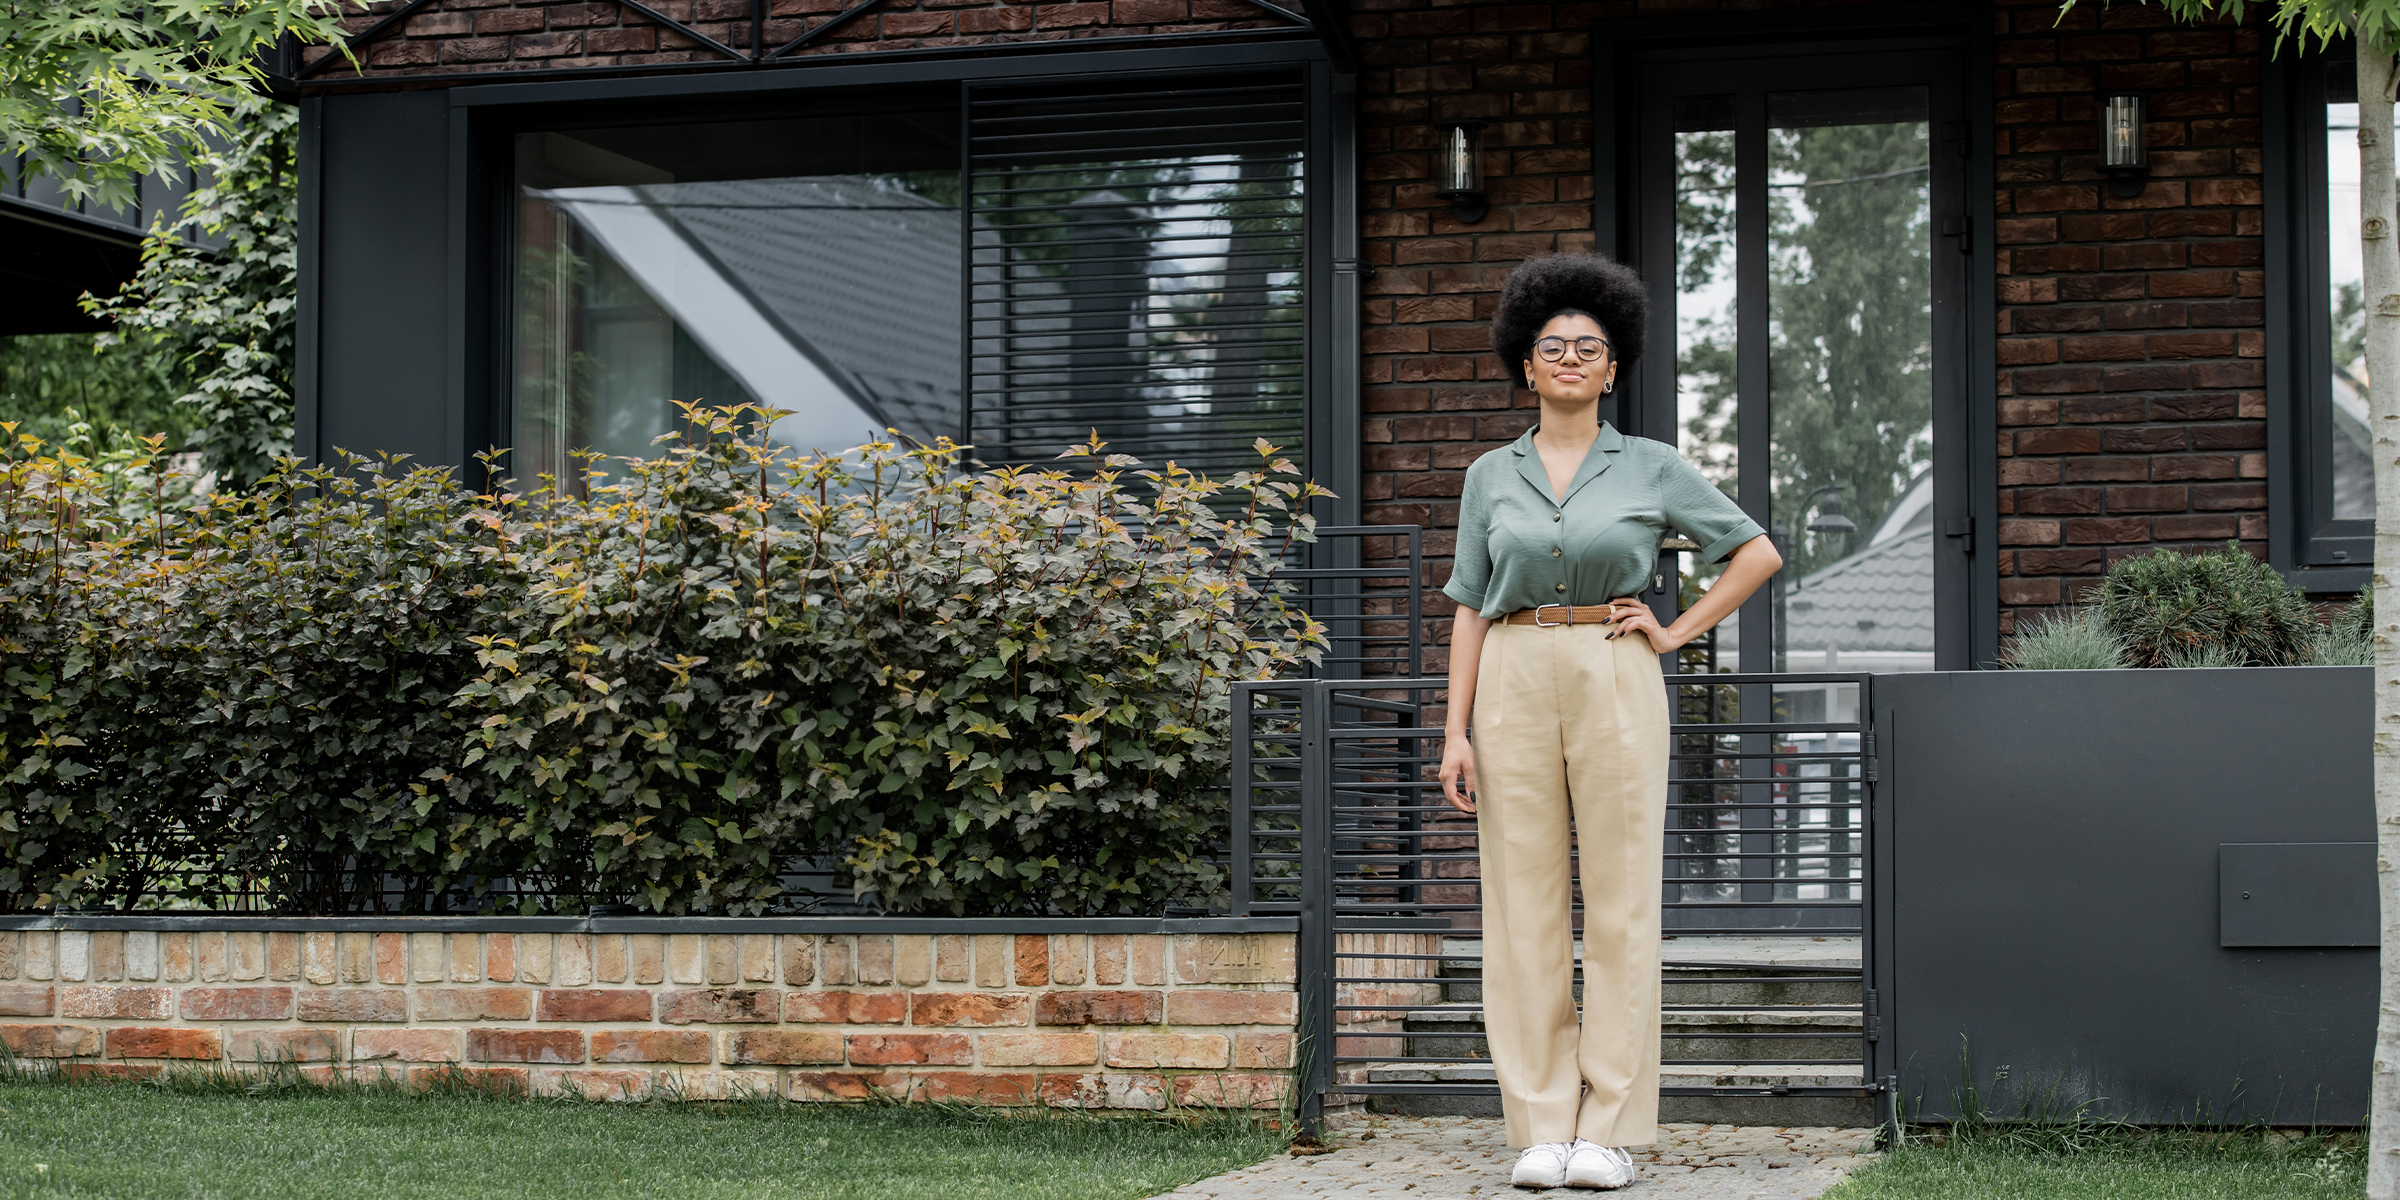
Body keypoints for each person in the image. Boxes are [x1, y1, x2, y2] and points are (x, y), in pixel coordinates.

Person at [1437, 253, 1782, 1191]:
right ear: (1526, 363)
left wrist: (1676, 631)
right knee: (1522, 906)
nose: (1571, 359)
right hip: (1510, 668)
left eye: (1590, 347)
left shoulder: (1653, 466)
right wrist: (1454, 730)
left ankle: (1613, 1128)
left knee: (1624, 901)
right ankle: (1542, 1127)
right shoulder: (1487, 476)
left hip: (1615, 669)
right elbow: (1470, 601)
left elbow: (1756, 553)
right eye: (1554, 346)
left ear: (1614, 366)